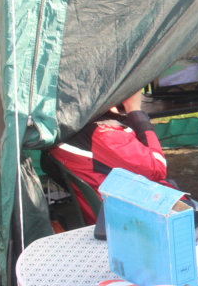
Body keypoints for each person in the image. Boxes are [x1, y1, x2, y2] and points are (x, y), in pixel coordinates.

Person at [47, 91, 167, 225]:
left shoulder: (60, 122)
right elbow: (157, 169)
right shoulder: (104, 132)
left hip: (104, 212)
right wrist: (134, 111)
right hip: (131, 219)